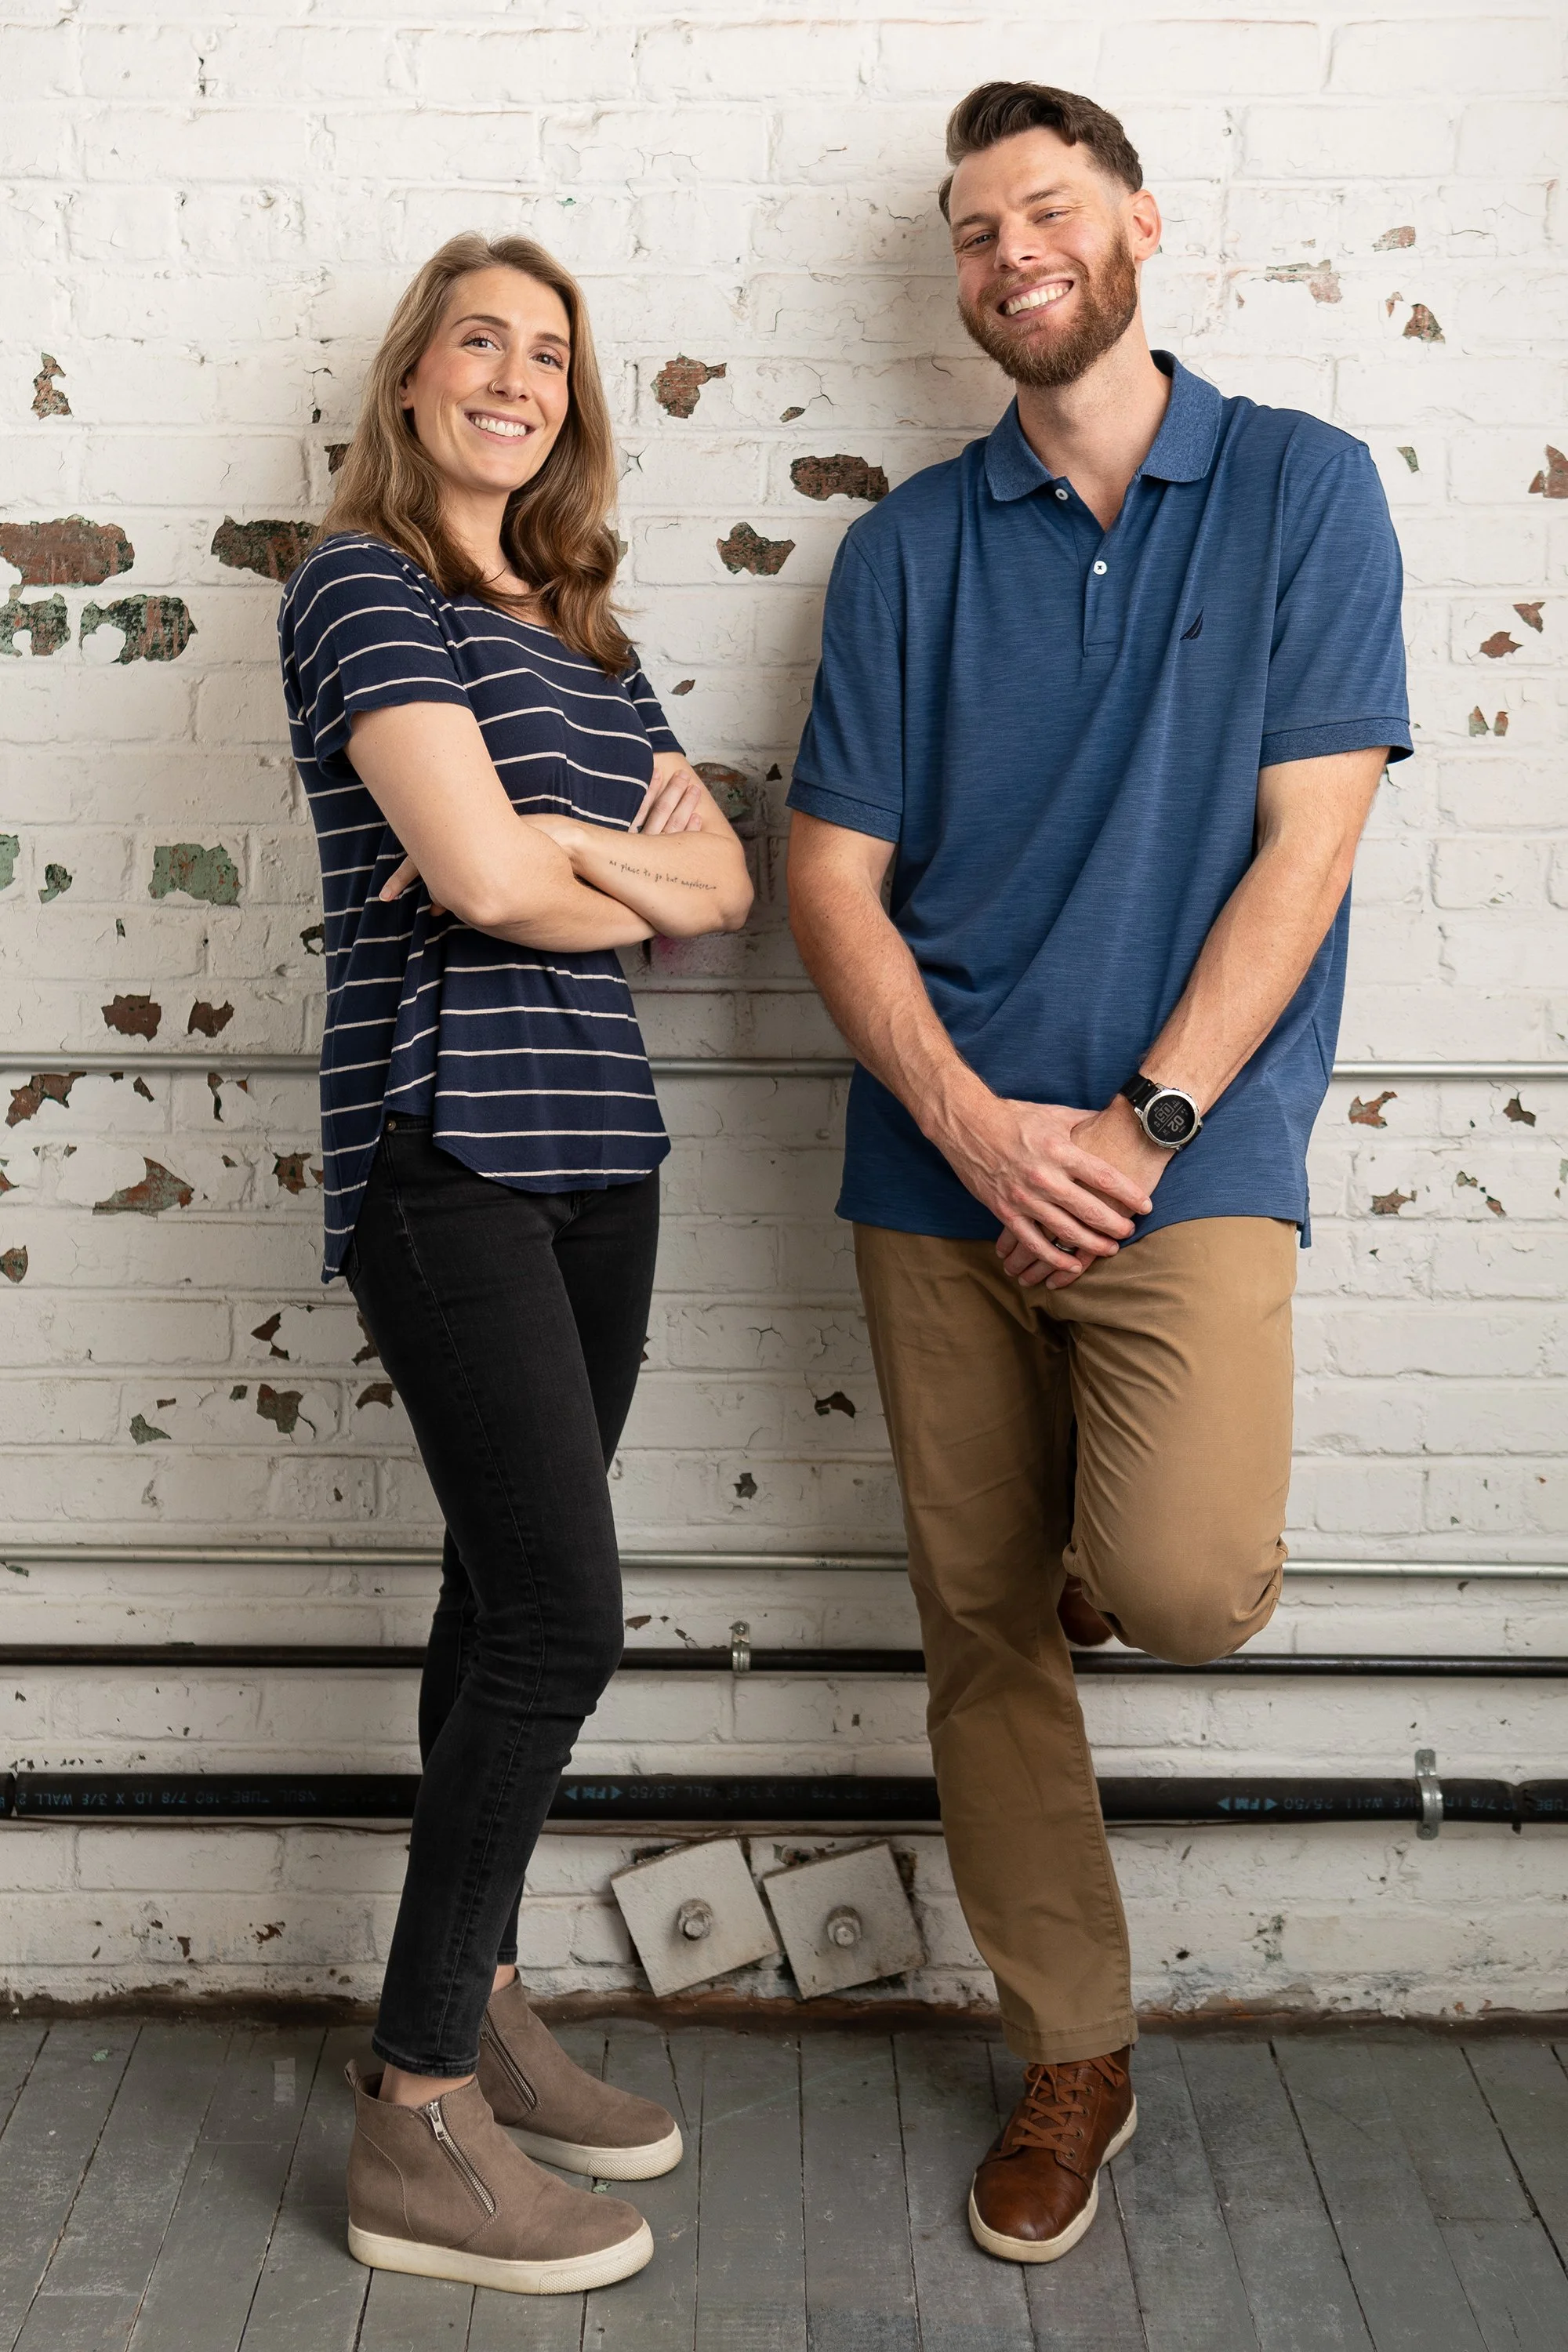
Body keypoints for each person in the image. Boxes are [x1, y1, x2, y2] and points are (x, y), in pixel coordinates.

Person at [786, 82, 1408, 2266]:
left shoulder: (1310, 494)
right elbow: (831, 879)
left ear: (1139, 223)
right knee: (978, 1633)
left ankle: (1094, 1548)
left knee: (1182, 1584)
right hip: (938, 1164)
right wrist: (971, 1126)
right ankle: (1078, 2050)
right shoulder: (905, 549)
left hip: (1185, 1162)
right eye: (970, 231)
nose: (1007, 256)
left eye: (1042, 211)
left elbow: (1309, 844)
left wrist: (1133, 1130)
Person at [278, 231, 752, 2295]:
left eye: (549, 351)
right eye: (480, 338)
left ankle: (464, 1995)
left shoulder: (578, 630)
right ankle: (415, 2116)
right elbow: (470, 882)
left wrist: (561, 862)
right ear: (413, 379)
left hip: (603, 1166)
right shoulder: (358, 587)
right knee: (566, 1617)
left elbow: (720, 891)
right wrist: (575, 864)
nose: (515, 374)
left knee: (498, 1603)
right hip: (442, 1154)